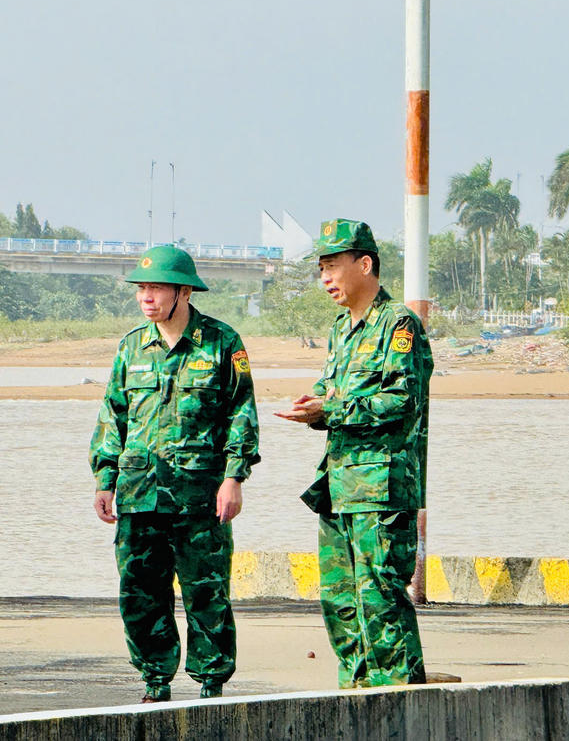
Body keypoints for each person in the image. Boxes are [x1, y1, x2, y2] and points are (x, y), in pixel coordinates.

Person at [89, 245, 260, 703]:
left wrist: (234, 478)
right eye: (142, 288)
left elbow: (241, 414)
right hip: (140, 493)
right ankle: (155, 681)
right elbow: (113, 417)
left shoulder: (222, 343)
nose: (147, 297)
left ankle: (210, 682)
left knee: (207, 592)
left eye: (157, 287)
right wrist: (105, 480)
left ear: (183, 291)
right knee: (141, 593)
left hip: (200, 496)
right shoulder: (131, 347)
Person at [274, 219, 432, 689]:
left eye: (332, 266)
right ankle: (356, 694)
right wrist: (313, 409)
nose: (324, 278)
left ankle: (400, 696)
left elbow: (403, 402)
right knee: (340, 601)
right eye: (320, 268)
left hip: (381, 490)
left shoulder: (399, 325)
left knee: (381, 596)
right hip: (339, 485)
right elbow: (332, 390)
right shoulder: (342, 329)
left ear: (364, 264)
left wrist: (334, 408)